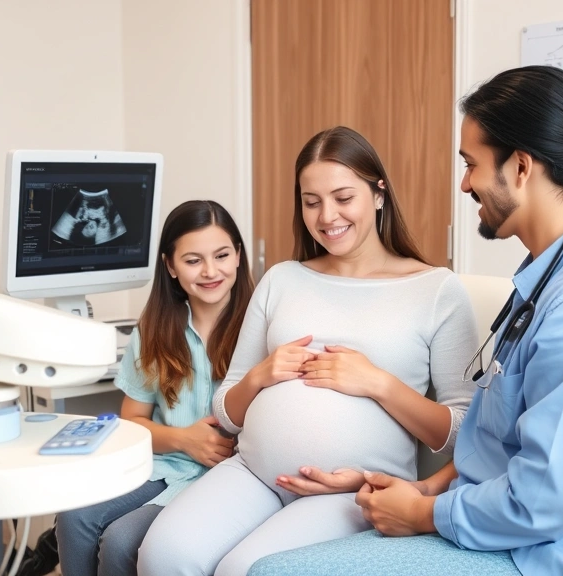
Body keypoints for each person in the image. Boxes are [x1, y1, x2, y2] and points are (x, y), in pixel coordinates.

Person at [247, 65, 563, 576]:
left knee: (273, 572)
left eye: (471, 164)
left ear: (521, 168)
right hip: (497, 521)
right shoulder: (547, 277)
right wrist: (422, 489)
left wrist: (423, 512)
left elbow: (541, 505)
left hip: (561, 553)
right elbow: (501, 445)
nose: (464, 184)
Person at [137, 126, 480, 576]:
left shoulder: (436, 290)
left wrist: (379, 384)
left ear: (378, 194)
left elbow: (464, 431)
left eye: (343, 197)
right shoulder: (282, 279)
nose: (326, 216)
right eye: (311, 201)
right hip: (255, 473)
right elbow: (226, 408)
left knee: (246, 570)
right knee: (163, 554)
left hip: (349, 492)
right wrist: (261, 375)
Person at [55, 199, 254, 575]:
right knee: (73, 514)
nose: (211, 271)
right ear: (170, 266)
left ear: (239, 256)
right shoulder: (155, 329)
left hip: (227, 477)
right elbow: (132, 421)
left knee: (121, 541)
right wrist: (183, 439)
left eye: (222, 255)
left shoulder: (260, 325)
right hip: (163, 464)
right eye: (193, 260)